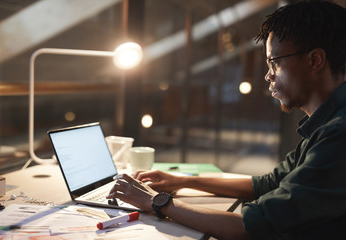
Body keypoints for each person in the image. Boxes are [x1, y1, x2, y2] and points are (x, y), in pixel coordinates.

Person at [107, 1, 346, 239]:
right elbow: (269, 183)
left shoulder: (338, 133)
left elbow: (249, 227)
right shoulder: (327, 123)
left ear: (314, 60)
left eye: (275, 62)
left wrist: (155, 202)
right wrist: (179, 180)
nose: (268, 75)